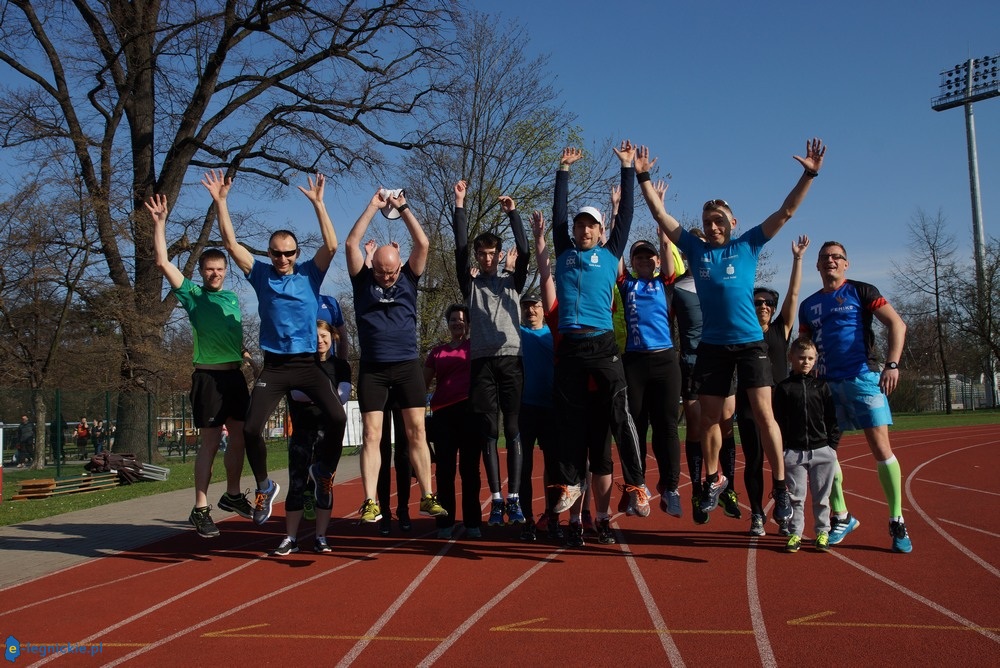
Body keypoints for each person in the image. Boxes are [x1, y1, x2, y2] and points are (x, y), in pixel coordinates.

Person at [635, 138, 826, 523]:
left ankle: (781, 487)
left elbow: (786, 211)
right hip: (713, 347)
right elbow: (660, 215)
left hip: (750, 344)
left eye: (719, 220)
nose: (713, 225)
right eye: (708, 221)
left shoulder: (748, 245)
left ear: (733, 223)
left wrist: (809, 174)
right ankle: (713, 477)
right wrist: (642, 175)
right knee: (709, 417)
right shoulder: (696, 250)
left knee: (763, 413)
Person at [208, 169, 347, 526]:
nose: (282, 259)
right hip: (275, 366)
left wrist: (319, 204)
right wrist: (221, 201)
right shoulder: (260, 274)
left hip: (306, 364)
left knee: (338, 417)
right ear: (269, 254)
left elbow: (331, 245)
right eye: (276, 254)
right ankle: (265, 486)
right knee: (252, 429)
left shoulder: (308, 274)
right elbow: (230, 243)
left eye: (288, 254)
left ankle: (324, 470)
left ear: (296, 253)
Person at [549, 142, 650, 518]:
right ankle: (570, 483)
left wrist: (627, 167)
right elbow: (558, 212)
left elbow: (626, 214)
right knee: (568, 421)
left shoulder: (610, 253)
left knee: (620, 417)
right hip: (571, 348)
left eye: (591, 224)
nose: (584, 229)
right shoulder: (564, 251)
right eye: (580, 224)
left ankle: (638, 485)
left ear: (601, 229)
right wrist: (563, 168)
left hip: (603, 345)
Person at [148, 192, 254, 537]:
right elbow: (163, 263)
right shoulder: (193, 295)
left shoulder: (233, 299)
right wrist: (160, 223)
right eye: (209, 269)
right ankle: (200, 507)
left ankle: (234, 494)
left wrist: (246, 355)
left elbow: (229, 337)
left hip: (235, 377)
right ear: (203, 272)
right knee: (210, 443)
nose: (215, 274)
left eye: (220, 269)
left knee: (241, 436)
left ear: (226, 272)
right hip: (208, 378)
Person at [799, 241, 912, 553]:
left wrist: (892, 365)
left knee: (880, 448)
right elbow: (804, 347)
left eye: (837, 257)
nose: (831, 261)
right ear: (818, 266)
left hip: (863, 378)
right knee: (825, 454)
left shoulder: (862, 291)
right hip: (826, 386)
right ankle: (842, 515)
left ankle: (897, 518)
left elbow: (897, 324)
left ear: (846, 264)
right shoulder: (808, 305)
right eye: (825, 258)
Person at [344, 187, 446, 523]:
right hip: (373, 368)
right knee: (372, 434)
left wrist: (403, 207)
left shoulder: (409, 278)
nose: (386, 278)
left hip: (405, 366)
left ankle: (428, 495)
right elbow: (350, 243)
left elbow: (424, 244)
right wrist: (373, 206)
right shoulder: (362, 281)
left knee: (416, 430)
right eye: (381, 272)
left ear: (399, 265)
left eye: (391, 272)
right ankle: (371, 501)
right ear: (372, 266)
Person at [452, 180, 530, 526]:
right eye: (482, 254)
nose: (486, 258)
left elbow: (525, 252)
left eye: (492, 254)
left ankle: (514, 498)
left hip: (511, 359)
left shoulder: (512, 281)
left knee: (513, 428)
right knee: (488, 429)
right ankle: (496, 499)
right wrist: (460, 204)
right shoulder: (470, 285)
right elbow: (458, 249)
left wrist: (513, 214)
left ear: (499, 256)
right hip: (482, 361)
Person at [736, 236, 811, 536]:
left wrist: (798, 259)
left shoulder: (781, 330)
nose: (764, 306)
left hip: (781, 407)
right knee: (753, 461)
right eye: (758, 302)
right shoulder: (742, 335)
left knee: (787, 463)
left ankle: (785, 512)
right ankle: (756, 514)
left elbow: (794, 293)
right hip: (749, 406)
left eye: (769, 303)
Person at [618, 229, 683, 518]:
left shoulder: (665, 284)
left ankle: (670, 488)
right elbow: (615, 252)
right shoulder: (626, 283)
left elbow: (668, 252)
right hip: (634, 363)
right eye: (638, 256)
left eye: (649, 256)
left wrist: (662, 229)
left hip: (665, 361)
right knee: (637, 427)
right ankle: (637, 485)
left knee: (666, 426)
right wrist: (617, 211)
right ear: (632, 261)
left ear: (656, 260)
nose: (644, 260)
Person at [274, 320, 352, 555]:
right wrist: (328, 396)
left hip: (329, 434)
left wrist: (316, 394)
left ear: (333, 337)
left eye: (323, 335)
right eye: (314, 336)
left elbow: (344, 395)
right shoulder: (298, 365)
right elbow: (296, 394)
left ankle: (321, 536)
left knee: (325, 486)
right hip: (302, 432)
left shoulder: (341, 366)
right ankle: (290, 538)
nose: (319, 340)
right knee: (297, 484)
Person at [772, 337, 841, 552]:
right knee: (796, 497)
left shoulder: (822, 387)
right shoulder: (784, 388)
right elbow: (778, 421)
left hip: (822, 450)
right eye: (801, 358)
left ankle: (822, 532)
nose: (806, 362)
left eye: (810, 358)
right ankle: (795, 534)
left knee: (822, 498)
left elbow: (832, 419)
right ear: (791, 358)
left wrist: (832, 446)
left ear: (815, 360)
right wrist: (784, 448)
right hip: (794, 451)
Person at [424, 304, 482, 539]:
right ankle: (445, 523)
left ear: (468, 324)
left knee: (470, 471)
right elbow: (422, 383)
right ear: (447, 324)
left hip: (470, 412)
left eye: (461, 319)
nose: (457, 323)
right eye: (452, 320)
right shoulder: (437, 352)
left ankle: (473, 523)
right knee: (445, 471)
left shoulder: (476, 347)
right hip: (443, 414)